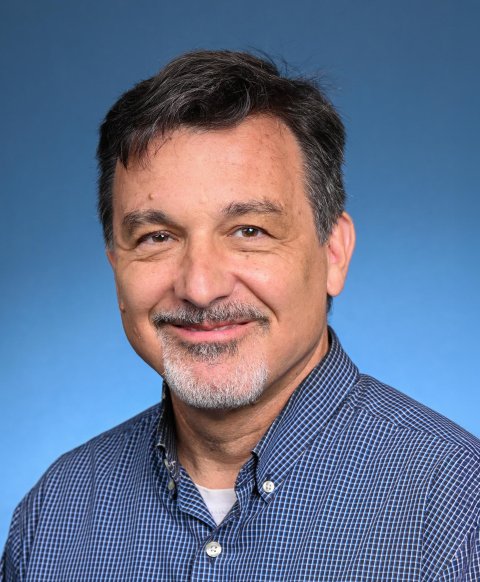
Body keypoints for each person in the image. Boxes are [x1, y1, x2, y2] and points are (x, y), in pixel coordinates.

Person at [2, 50, 479, 581]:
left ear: (333, 253)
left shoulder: (459, 511)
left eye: (249, 231)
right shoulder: (53, 517)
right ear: (117, 266)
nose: (200, 288)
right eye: (157, 237)